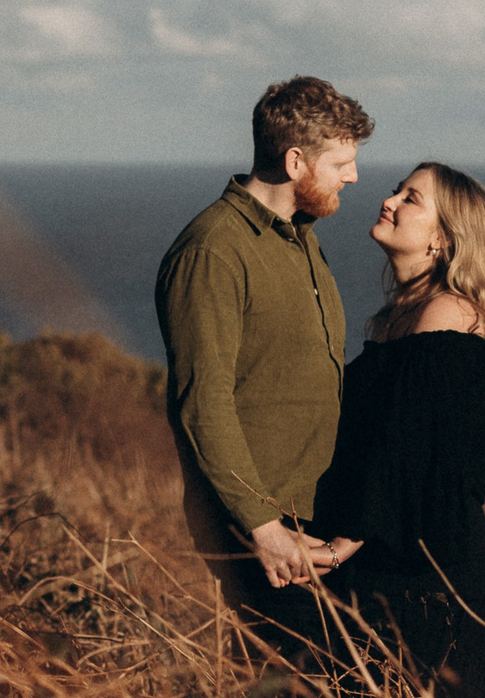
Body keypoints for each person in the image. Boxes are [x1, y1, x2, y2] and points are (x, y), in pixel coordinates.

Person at [155, 76, 375, 658]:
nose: (353, 177)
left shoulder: (300, 239)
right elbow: (202, 404)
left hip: (310, 516)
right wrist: (264, 529)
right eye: (342, 163)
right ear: (295, 160)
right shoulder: (213, 251)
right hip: (262, 528)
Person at [312, 163, 485, 698]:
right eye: (398, 190)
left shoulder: (448, 316)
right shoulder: (391, 322)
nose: (389, 200)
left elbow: (416, 456)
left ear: (443, 239)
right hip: (389, 553)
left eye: (412, 198)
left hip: (429, 567)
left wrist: (341, 545)